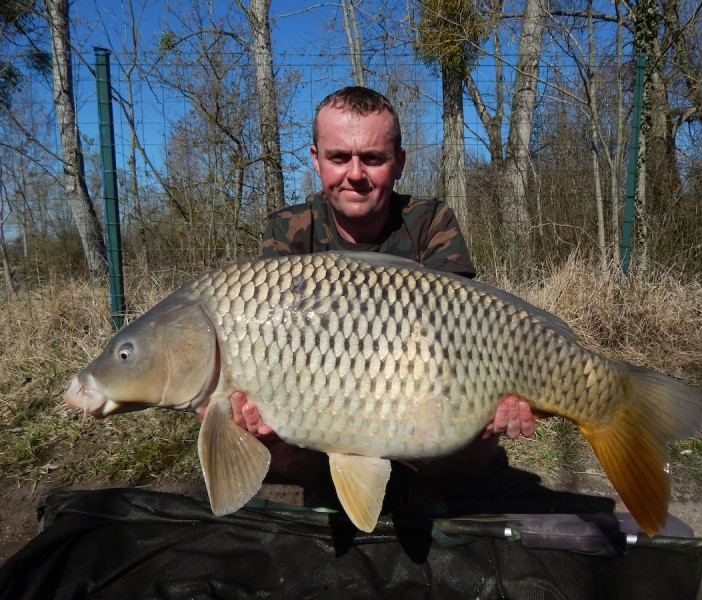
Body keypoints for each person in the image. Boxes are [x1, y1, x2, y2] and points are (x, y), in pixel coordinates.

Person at [201, 86, 537, 505]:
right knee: (261, 426)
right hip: (321, 408)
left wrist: (496, 397)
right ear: (316, 159)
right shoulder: (288, 229)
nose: (355, 173)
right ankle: (339, 495)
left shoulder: (431, 222)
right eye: (339, 157)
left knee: (478, 438)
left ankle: (422, 495)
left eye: (373, 158)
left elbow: (463, 334)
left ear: (399, 162)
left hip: (418, 395)